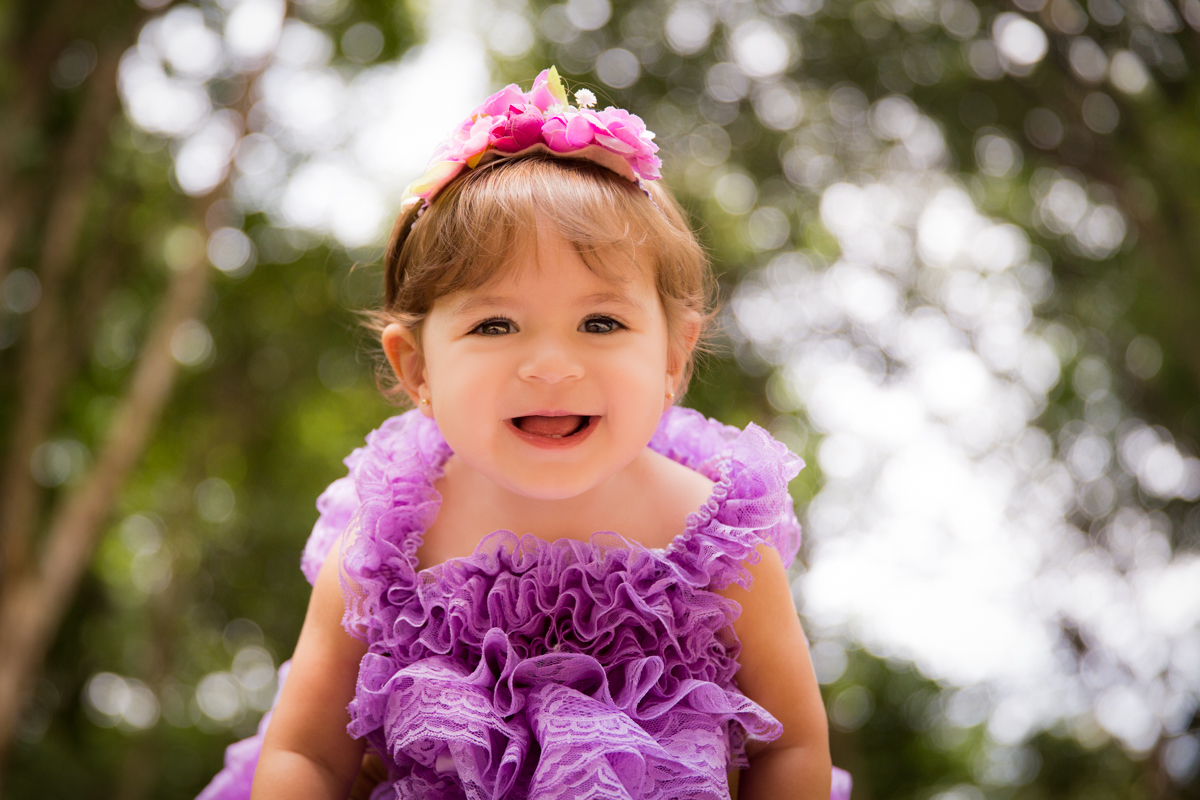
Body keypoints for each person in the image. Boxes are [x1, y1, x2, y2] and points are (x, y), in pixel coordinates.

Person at [198, 67, 852, 800]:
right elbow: (309, 755)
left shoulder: (716, 543)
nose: (549, 367)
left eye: (600, 322)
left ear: (672, 359)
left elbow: (792, 747)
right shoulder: (386, 547)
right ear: (417, 370)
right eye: (495, 324)